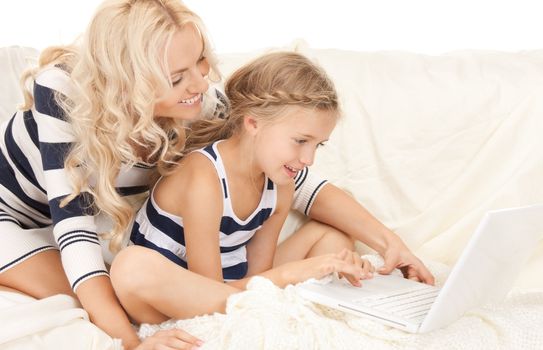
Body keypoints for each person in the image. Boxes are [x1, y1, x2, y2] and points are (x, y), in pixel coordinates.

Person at [0, 0, 432, 349]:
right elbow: (73, 230)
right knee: (117, 287)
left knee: (325, 238)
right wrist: (131, 345)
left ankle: (263, 294)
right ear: (130, 83)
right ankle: (263, 295)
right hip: (18, 222)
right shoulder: (61, 92)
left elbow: (293, 180)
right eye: (177, 77)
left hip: (96, 224)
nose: (200, 84)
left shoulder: (198, 104)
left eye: (201, 62)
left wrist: (392, 244)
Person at [114, 51, 375, 324]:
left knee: (332, 235)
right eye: (300, 141)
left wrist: (328, 264)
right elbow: (207, 290)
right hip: (174, 296)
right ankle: (287, 302)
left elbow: (257, 275)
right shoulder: (205, 176)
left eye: (317, 145)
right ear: (253, 123)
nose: (309, 160)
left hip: (230, 288)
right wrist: (296, 273)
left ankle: (296, 301)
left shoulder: (280, 184)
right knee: (130, 266)